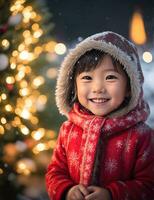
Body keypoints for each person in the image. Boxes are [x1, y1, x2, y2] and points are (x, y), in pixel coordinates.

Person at [45, 31, 154, 200]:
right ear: (73, 85)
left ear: (129, 87)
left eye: (110, 77)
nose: (97, 88)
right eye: (87, 77)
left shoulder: (142, 136)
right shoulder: (68, 130)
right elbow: (55, 172)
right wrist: (67, 191)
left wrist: (112, 194)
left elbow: (149, 185)